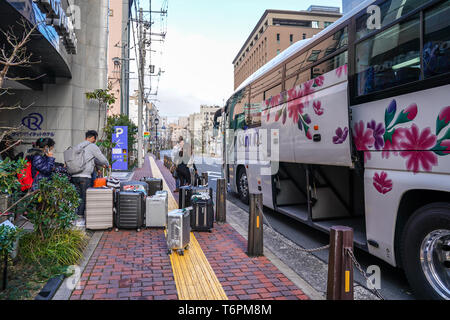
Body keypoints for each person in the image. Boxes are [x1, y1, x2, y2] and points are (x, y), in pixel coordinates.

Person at [71, 130, 109, 225]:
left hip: (74, 175)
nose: (95, 141)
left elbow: (92, 159)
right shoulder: (92, 146)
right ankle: (79, 220)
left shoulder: (78, 146)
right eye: (95, 139)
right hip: (85, 176)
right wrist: (107, 164)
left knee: (77, 197)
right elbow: (101, 158)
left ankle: (73, 217)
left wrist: (100, 164)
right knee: (84, 197)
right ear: (93, 138)